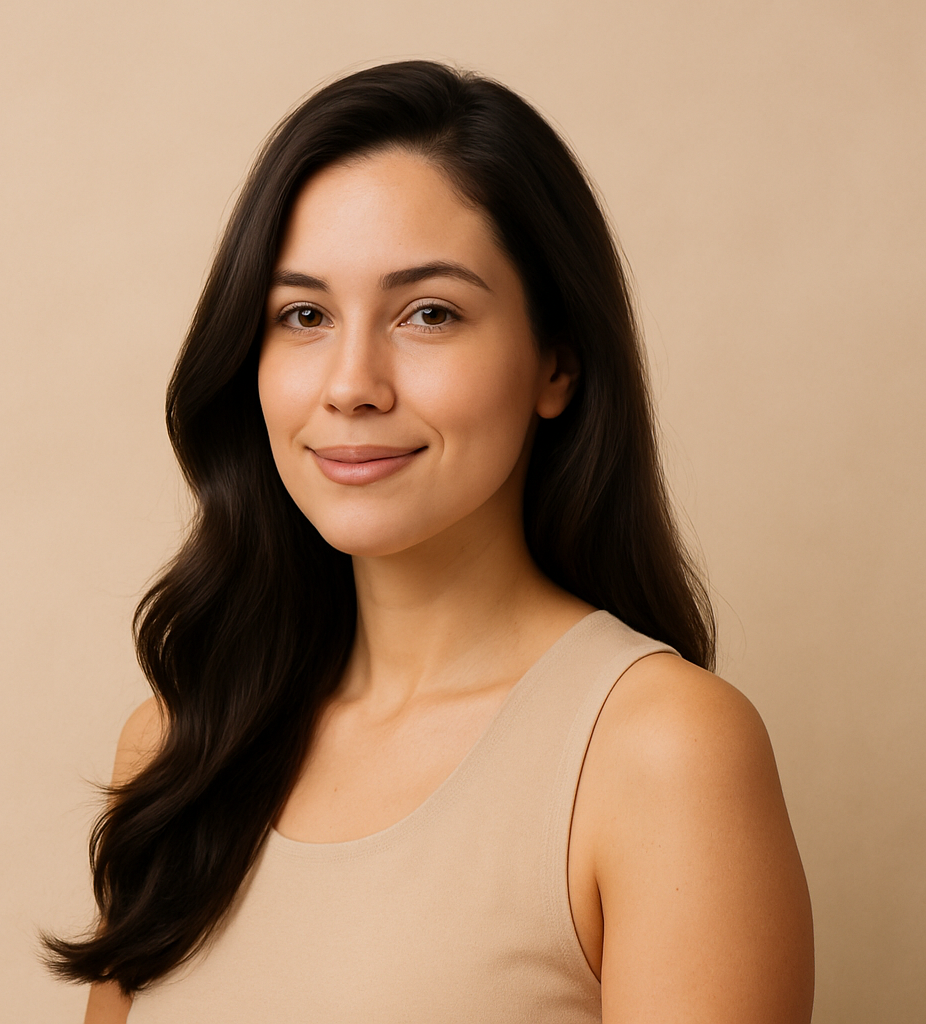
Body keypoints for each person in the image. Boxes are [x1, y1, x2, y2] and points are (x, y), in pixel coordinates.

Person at [43, 60, 814, 1023]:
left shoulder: (660, 752)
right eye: (304, 316)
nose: (352, 383)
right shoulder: (179, 744)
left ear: (557, 366)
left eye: (429, 313)